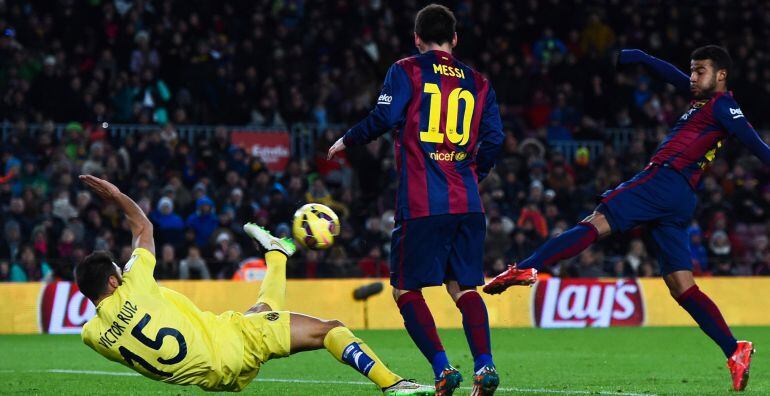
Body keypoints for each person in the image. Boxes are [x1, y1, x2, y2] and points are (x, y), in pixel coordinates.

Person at [484, 45, 764, 391]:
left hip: (663, 178)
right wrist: (643, 58)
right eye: (691, 70)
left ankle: (527, 266)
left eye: (700, 71)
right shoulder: (704, 101)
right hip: (680, 198)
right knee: (682, 285)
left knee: (597, 221)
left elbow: (756, 145)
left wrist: (638, 57)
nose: (692, 77)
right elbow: (671, 75)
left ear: (721, 75)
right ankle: (734, 349)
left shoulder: (724, 105)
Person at [75, 175, 432, 395]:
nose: (125, 271)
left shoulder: (91, 336)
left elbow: (110, 311)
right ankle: (394, 384)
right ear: (113, 280)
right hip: (231, 345)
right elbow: (142, 227)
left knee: (262, 313)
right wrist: (116, 195)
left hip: (214, 380)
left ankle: (276, 254)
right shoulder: (134, 284)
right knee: (331, 330)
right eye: (118, 272)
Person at [327, 4, 504, 395]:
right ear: (454, 39)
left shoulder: (406, 69)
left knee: (405, 290)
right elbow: (494, 141)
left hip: (423, 202)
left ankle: (443, 370)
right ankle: (485, 364)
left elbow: (384, 118)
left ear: (417, 38)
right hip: (468, 203)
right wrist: (474, 175)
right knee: (465, 289)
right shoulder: (480, 82)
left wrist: (348, 139)